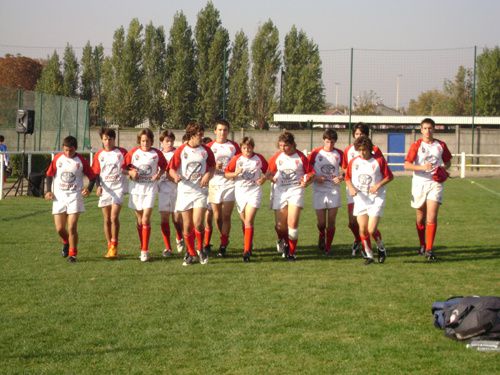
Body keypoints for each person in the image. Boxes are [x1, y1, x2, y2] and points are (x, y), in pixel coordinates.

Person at [404, 118, 452, 261]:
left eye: (430, 128)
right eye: (425, 128)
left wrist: (443, 169)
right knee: (420, 218)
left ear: (434, 129)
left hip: (435, 183)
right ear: (421, 130)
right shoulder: (416, 145)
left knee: (431, 216)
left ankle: (429, 250)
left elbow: (448, 161)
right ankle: (422, 244)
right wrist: (422, 167)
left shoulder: (441, 145)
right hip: (419, 183)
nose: (427, 131)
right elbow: (407, 165)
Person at [169, 122, 215, 266]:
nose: (202, 137)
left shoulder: (206, 150)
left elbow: (212, 167)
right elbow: (171, 169)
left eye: (202, 134)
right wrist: (175, 176)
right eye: (199, 135)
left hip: (200, 191)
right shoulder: (181, 150)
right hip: (185, 191)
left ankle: (200, 250)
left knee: (198, 222)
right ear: (191, 135)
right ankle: (190, 253)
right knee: (187, 226)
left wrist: (208, 175)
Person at [44, 136, 96, 263]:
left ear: (75, 148)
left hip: (75, 197)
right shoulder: (57, 159)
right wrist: (48, 191)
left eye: (70, 151)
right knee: (60, 229)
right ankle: (66, 241)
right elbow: (49, 175)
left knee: (72, 226)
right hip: (59, 197)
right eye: (66, 150)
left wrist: (88, 189)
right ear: (63, 148)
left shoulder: (81, 161)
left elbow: (93, 176)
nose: (68, 153)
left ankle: (73, 254)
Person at [345, 136, 393, 265]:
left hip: (376, 198)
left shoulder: (378, 161)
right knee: (362, 229)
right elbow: (347, 177)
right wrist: (351, 188)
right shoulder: (354, 162)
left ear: (369, 148)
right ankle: (369, 255)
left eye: (364, 150)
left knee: (371, 229)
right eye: (359, 150)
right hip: (360, 198)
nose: (362, 152)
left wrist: (378, 185)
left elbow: (389, 176)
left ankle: (381, 248)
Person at [267, 131, 313, 261]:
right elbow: (269, 173)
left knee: (292, 223)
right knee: (280, 226)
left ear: (292, 144)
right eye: (280, 145)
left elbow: (311, 173)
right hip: (280, 191)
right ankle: (283, 240)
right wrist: (271, 178)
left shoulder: (301, 157)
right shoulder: (277, 156)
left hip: (295, 190)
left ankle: (291, 253)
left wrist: (306, 181)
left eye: (285, 145)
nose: (282, 148)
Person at [342, 123, 385, 257]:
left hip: (372, 193)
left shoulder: (376, 150)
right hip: (355, 191)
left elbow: (381, 168)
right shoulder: (349, 150)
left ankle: (368, 250)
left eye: (361, 134)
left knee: (368, 227)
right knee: (353, 222)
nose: (359, 136)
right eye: (356, 134)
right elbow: (345, 169)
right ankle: (359, 240)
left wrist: (377, 185)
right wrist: (351, 184)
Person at [124, 129, 167, 262]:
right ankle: (142, 244)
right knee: (139, 220)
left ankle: (144, 250)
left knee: (145, 219)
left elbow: (164, 166)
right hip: (136, 189)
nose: (145, 143)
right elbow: (124, 167)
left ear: (152, 141)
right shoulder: (133, 153)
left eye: (147, 141)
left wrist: (158, 175)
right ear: (139, 141)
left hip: (150, 189)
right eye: (143, 141)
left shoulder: (157, 153)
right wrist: (131, 173)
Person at [225, 137, 268, 262]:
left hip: (254, 192)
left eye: (249, 147)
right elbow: (227, 174)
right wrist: (235, 173)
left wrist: (263, 179)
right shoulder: (237, 159)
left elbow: (268, 171)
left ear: (253, 147)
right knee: (245, 221)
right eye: (244, 147)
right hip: (240, 192)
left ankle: (246, 251)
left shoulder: (258, 158)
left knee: (248, 220)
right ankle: (248, 243)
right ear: (241, 148)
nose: (247, 149)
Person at [91, 128, 128, 259]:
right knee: (106, 219)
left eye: (110, 139)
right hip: (105, 190)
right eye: (105, 139)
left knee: (113, 217)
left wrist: (129, 172)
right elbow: (96, 173)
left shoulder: (122, 152)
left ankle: (114, 245)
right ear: (102, 139)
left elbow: (129, 166)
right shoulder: (99, 155)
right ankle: (109, 245)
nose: (107, 141)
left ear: (114, 139)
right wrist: (98, 186)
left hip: (118, 188)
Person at [206, 119, 241, 257]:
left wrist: (233, 172)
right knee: (217, 216)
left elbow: (241, 161)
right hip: (214, 183)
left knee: (226, 215)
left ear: (228, 131)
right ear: (215, 131)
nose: (222, 132)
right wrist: (214, 166)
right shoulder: (208, 147)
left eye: (225, 130)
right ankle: (224, 238)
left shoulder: (234, 147)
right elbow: (204, 166)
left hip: (229, 183)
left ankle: (222, 245)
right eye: (219, 130)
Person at [308, 129, 344, 256]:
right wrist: (316, 178)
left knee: (331, 221)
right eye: (327, 142)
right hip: (319, 190)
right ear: (324, 140)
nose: (329, 145)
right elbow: (307, 169)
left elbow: (345, 170)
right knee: (321, 223)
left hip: (333, 190)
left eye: (332, 142)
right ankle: (321, 234)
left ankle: (328, 248)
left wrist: (341, 177)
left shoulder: (339, 153)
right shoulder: (315, 153)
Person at [158, 130, 184, 257]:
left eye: (171, 141)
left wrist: (175, 178)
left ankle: (179, 237)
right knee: (164, 218)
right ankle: (168, 247)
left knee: (177, 218)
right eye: (167, 141)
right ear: (161, 142)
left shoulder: (177, 153)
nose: (169, 143)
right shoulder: (157, 154)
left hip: (177, 188)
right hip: (163, 189)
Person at [201, 136, 214, 254]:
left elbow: (213, 169)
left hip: (211, 190)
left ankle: (206, 244)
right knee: (198, 220)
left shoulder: (210, 159)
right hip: (198, 191)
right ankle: (199, 244)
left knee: (208, 218)